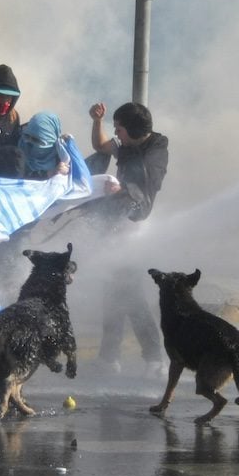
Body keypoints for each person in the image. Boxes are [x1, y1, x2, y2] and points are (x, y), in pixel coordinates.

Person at [86, 101, 169, 375]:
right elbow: (101, 146)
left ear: (131, 129)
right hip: (116, 225)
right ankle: (109, 358)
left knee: (130, 295)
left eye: (118, 128)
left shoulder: (155, 152)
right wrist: (97, 121)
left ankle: (154, 359)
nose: (116, 133)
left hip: (133, 230)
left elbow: (149, 185)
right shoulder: (126, 146)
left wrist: (124, 189)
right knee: (113, 293)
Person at [17, 111, 71, 180]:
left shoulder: (63, 159)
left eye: (36, 140)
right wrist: (48, 174)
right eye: (26, 136)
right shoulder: (13, 146)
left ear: (51, 141)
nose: (28, 142)